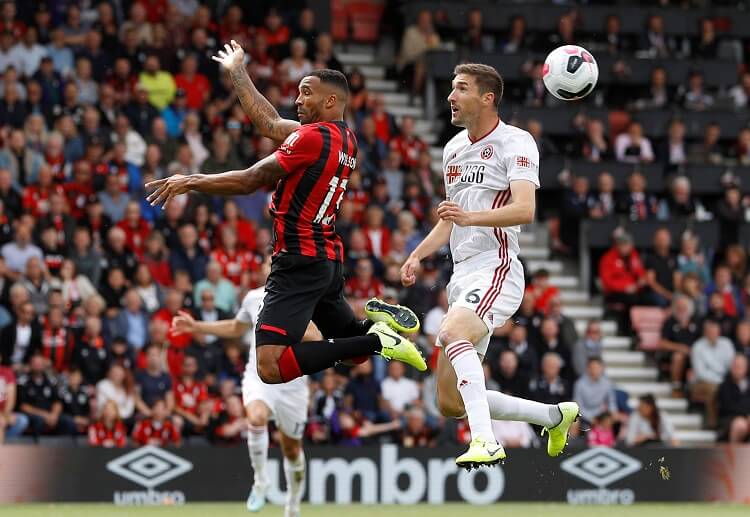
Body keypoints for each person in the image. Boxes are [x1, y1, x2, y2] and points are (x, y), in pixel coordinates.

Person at [146, 40, 426, 386]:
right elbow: (271, 124)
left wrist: (191, 181)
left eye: (306, 93)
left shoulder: (311, 139)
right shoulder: (345, 138)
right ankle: (375, 330)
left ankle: (378, 338)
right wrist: (238, 72)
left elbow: (252, 179)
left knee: (270, 366)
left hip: (298, 259)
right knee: (353, 354)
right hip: (325, 260)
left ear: (330, 101)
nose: (298, 99)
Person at [400, 63, 578, 469]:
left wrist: (469, 219)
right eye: (451, 87)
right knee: (448, 401)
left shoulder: (516, 142)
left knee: (451, 331)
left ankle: (486, 440)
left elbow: (525, 209)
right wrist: (417, 254)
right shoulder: (452, 150)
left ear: (487, 98)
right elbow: (451, 217)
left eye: (460, 88)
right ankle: (552, 417)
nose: (450, 96)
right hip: (462, 274)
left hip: (496, 265)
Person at [172, 257, 318, 517]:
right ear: (263, 269)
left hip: (293, 384)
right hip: (260, 375)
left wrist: (287, 319)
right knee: (256, 416)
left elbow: (315, 336)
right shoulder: (253, 298)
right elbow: (234, 327)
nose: (272, 267)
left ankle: (293, 505)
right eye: (269, 263)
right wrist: (196, 326)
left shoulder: (304, 298)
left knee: (292, 449)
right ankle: (261, 481)